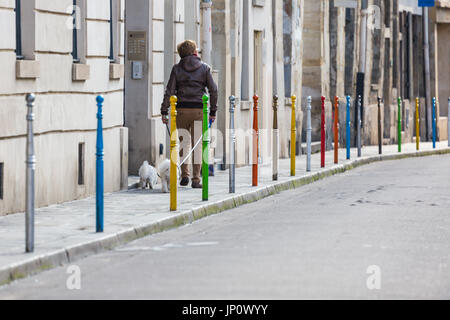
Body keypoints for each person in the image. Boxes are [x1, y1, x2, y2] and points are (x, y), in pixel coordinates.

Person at [161, 40, 218, 189]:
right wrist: (212, 112)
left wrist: (164, 111)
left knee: (183, 143)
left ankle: (184, 174)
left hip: (181, 110)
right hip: (199, 110)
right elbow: (214, 90)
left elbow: (169, 91)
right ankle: (196, 179)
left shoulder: (176, 69)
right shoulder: (205, 68)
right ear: (194, 52)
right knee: (197, 144)